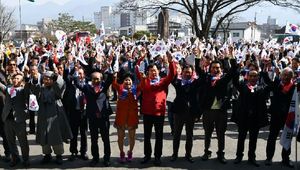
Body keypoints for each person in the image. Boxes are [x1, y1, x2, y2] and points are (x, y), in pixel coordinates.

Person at [136, 50, 175, 166]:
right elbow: (137, 70)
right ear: (147, 72)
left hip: (159, 113)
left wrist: (171, 61)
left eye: (155, 70)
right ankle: (147, 156)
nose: (153, 72)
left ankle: (157, 157)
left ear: (158, 71)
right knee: (147, 136)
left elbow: (172, 75)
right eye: (150, 71)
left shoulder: (163, 81)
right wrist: (141, 58)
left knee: (159, 136)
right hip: (147, 113)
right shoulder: (145, 81)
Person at [29, 71, 73, 165]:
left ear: (52, 80)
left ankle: (58, 155)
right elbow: (34, 91)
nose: (46, 81)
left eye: (48, 79)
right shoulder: (41, 88)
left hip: (55, 115)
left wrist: (56, 76)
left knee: (56, 136)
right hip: (43, 115)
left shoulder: (56, 88)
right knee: (44, 136)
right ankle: (47, 155)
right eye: (44, 79)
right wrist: (36, 80)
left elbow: (60, 85)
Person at [199, 59, 237, 164]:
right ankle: (207, 152)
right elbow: (199, 70)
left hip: (221, 111)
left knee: (221, 133)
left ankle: (221, 153)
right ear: (210, 69)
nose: (215, 70)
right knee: (208, 133)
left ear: (221, 69)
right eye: (213, 68)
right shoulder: (206, 78)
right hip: (208, 111)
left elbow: (233, 70)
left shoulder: (224, 78)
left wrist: (231, 57)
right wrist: (198, 58)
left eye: (217, 68)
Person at [74, 69, 113, 167]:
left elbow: (111, 78)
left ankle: (107, 158)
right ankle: (95, 158)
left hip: (103, 118)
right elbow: (77, 83)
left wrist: (108, 68)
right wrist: (76, 75)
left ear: (101, 79)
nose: (96, 81)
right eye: (94, 79)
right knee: (94, 139)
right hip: (92, 118)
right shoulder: (87, 87)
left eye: (98, 79)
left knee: (106, 139)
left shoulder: (104, 86)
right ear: (91, 79)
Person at [232, 70, 269, 167]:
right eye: (251, 76)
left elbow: (270, 85)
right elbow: (235, 82)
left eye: (255, 76)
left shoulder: (262, 87)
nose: (253, 78)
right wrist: (236, 69)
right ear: (247, 77)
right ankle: (239, 156)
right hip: (243, 117)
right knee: (241, 138)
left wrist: (265, 73)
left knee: (253, 139)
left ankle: (252, 157)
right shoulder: (243, 86)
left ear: (258, 77)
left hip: (255, 118)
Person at [263, 67, 295, 168]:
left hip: (288, 116)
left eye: (288, 75)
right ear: (280, 75)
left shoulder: (294, 87)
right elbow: (267, 81)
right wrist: (265, 70)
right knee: (272, 137)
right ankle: (269, 158)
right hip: (276, 115)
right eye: (284, 75)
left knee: (287, 137)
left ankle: (285, 158)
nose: (285, 77)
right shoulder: (276, 84)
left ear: (291, 77)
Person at [170, 64, 201, 163]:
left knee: (189, 135)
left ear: (192, 73)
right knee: (176, 134)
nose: (187, 74)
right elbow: (171, 78)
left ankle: (188, 154)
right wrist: (173, 65)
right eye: (185, 72)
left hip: (191, 113)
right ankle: (175, 154)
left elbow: (203, 78)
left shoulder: (195, 82)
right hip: (178, 112)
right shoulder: (177, 82)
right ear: (182, 73)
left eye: (189, 72)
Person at [0, 73, 29, 167]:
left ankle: (25, 159)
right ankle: (15, 158)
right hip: (7, 119)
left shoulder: (23, 90)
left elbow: (30, 90)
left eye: (18, 78)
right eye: (14, 78)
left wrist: (28, 81)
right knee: (10, 141)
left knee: (23, 142)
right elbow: (2, 86)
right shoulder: (8, 89)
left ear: (22, 81)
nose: (15, 80)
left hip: (19, 120)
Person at [112, 72, 142, 163]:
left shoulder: (136, 89)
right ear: (123, 81)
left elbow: (143, 84)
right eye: (126, 80)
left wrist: (142, 77)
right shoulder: (120, 88)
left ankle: (130, 152)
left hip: (132, 118)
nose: (127, 81)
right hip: (121, 117)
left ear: (132, 82)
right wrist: (114, 77)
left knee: (132, 137)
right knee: (120, 137)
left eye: (129, 80)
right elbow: (114, 83)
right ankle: (121, 153)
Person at [64, 66, 88, 161]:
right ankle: (73, 152)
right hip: (74, 111)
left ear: (84, 75)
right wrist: (72, 67)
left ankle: (83, 152)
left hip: (84, 112)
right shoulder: (71, 84)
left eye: (81, 73)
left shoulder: (87, 84)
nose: (79, 75)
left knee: (84, 133)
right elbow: (66, 75)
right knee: (73, 133)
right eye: (78, 74)